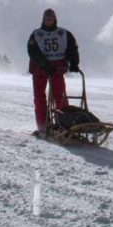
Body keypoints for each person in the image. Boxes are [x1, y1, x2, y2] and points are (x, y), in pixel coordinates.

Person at [27, 8, 80, 136]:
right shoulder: (37, 34)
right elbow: (32, 51)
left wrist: (74, 63)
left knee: (60, 97)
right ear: (43, 19)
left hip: (57, 69)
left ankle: (63, 124)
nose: (49, 21)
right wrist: (44, 63)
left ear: (55, 19)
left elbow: (72, 48)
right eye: (47, 19)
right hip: (40, 69)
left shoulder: (64, 33)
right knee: (39, 98)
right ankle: (43, 127)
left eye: (51, 18)